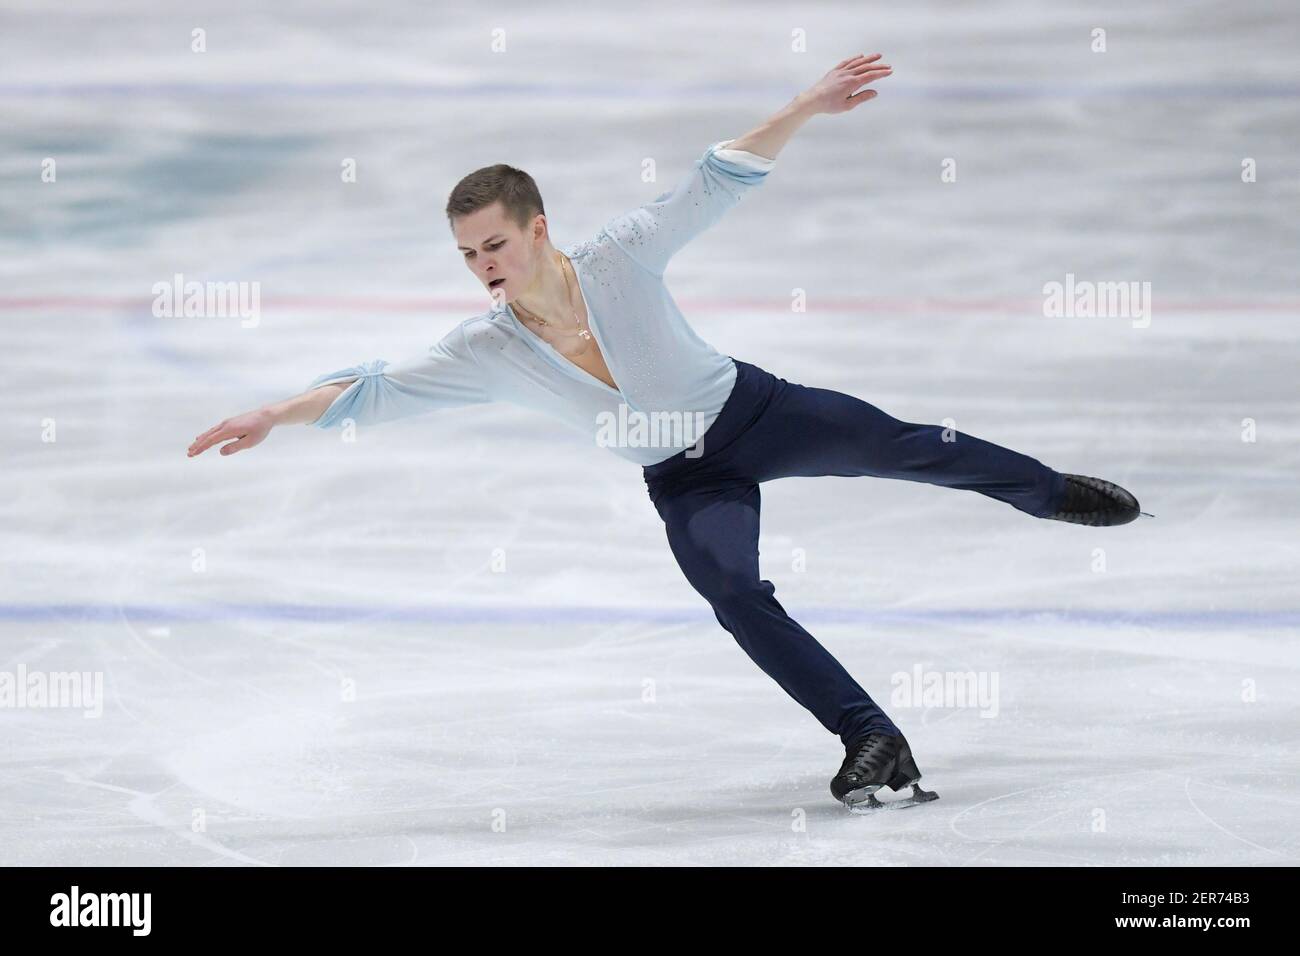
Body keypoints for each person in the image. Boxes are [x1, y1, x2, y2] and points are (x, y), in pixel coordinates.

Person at [187, 54, 1142, 811]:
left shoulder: (617, 257)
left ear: (539, 229)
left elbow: (713, 182)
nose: (483, 265)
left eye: (495, 244)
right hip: (685, 480)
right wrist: (276, 411)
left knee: (909, 447)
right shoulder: (488, 349)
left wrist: (805, 105)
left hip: (759, 416)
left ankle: (1049, 491)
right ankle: (871, 738)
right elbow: (375, 387)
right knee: (733, 591)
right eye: (469, 253)